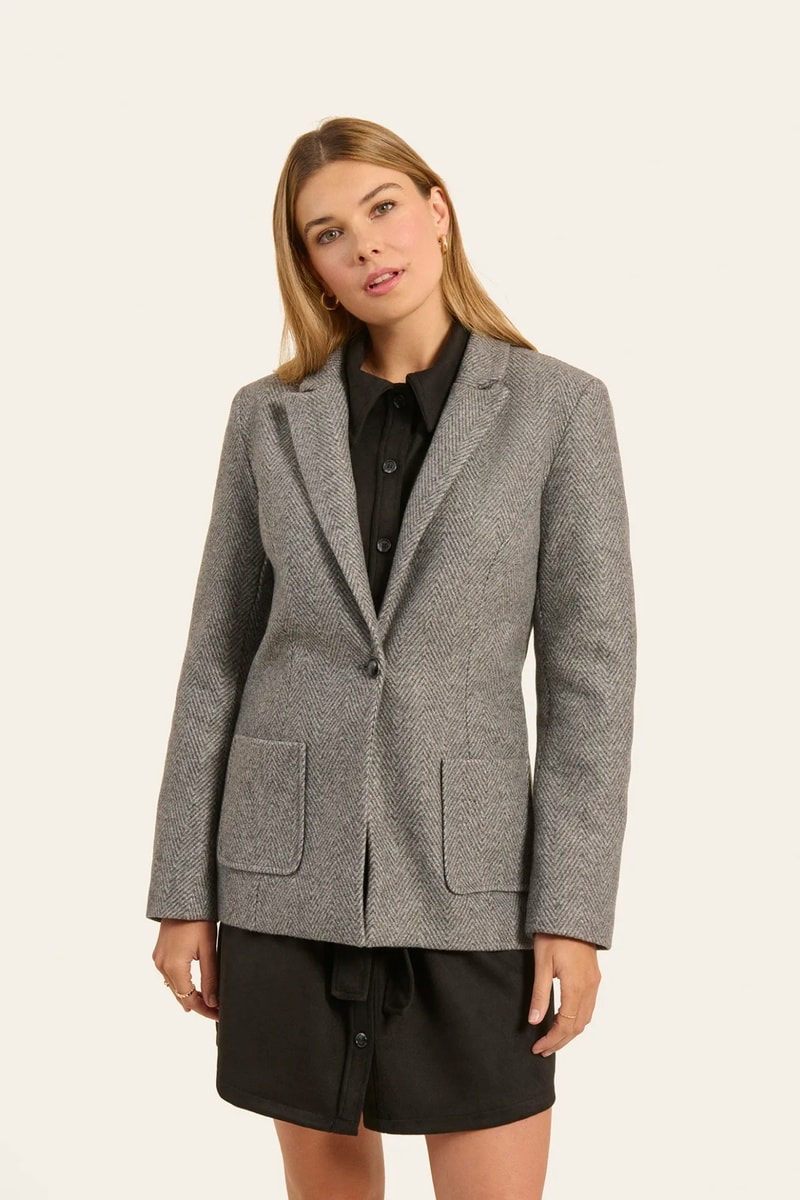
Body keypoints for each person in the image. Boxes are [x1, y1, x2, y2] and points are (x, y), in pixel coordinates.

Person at [146, 116, 637, 1200]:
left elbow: (590, 679)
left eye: (382, 208)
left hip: (471, 881)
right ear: (308, 263)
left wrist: (571, 911)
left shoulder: (558, 409)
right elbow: (216, 656)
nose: (364, 245)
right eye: (327, 232)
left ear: (437, 211)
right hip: (285, 873)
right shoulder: (267, 419)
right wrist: (183, 890)